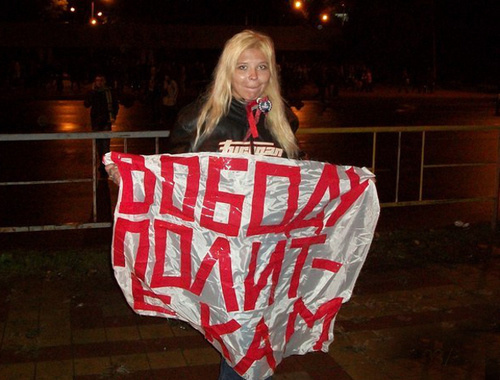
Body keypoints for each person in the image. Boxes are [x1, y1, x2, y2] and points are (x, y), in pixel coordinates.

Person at [106, 29, 301, 379]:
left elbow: (295, 181)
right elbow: (173, 179)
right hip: (219, 255)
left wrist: (348, 185)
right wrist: (135, 180)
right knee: (241, 341)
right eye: (243, 68)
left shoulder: (283, 121)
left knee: (259, 337)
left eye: (262, 67)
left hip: (265, 253)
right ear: (227, 70)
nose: (253, 78)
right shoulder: (198, 120)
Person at [84, 74, 119, 175]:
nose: (98, 83)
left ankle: (105, 164)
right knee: (99, 145)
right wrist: (91, 92)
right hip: (96, 122)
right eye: (97, 80)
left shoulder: (108, 92)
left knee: (105, 145)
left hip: (105, 122)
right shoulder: (94, 93)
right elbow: (86, 104)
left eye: (100, 80)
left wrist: (113, 116)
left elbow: (115, 105)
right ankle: (102, 163)